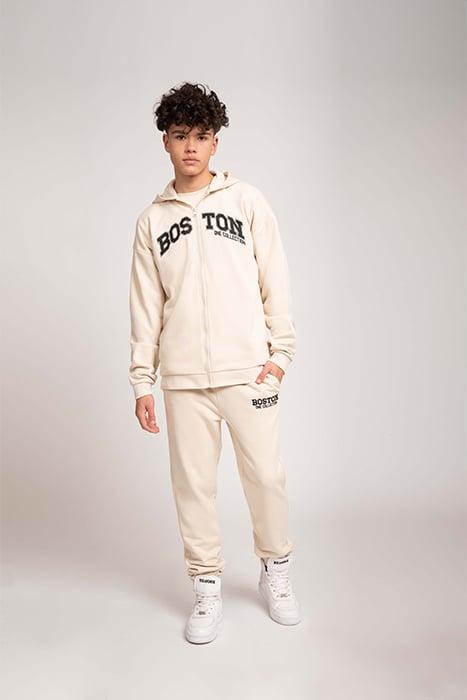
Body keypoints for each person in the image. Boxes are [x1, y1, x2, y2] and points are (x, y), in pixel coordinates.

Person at [128, 81, 301, 644]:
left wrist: (280, 356)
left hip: (248, 371)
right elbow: (145, 307)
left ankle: (276, 569)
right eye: (180, 135)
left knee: (266, 477)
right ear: (165, 141)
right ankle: (206, 586)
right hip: (183, 379)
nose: (191, 147)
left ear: (216, 143)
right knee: (193, 487)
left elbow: (275, 280)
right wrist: (142, 381)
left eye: (201, 136)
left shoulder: (247, 202)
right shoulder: (152, 221)